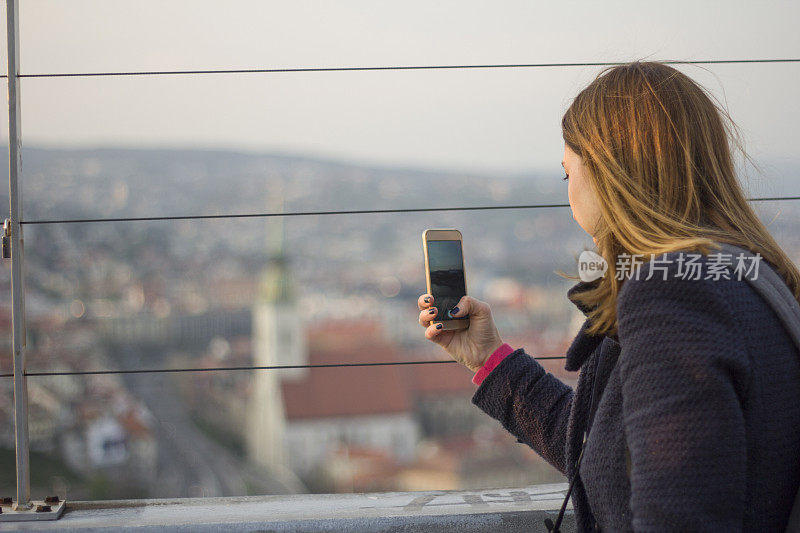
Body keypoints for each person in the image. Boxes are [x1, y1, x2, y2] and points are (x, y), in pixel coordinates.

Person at [417, 61, 800, 531]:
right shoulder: (751, 274)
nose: (570, 193)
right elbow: (603, 451)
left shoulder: (673, 293)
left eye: (567, 174)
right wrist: (489, 359)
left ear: (607, 172)